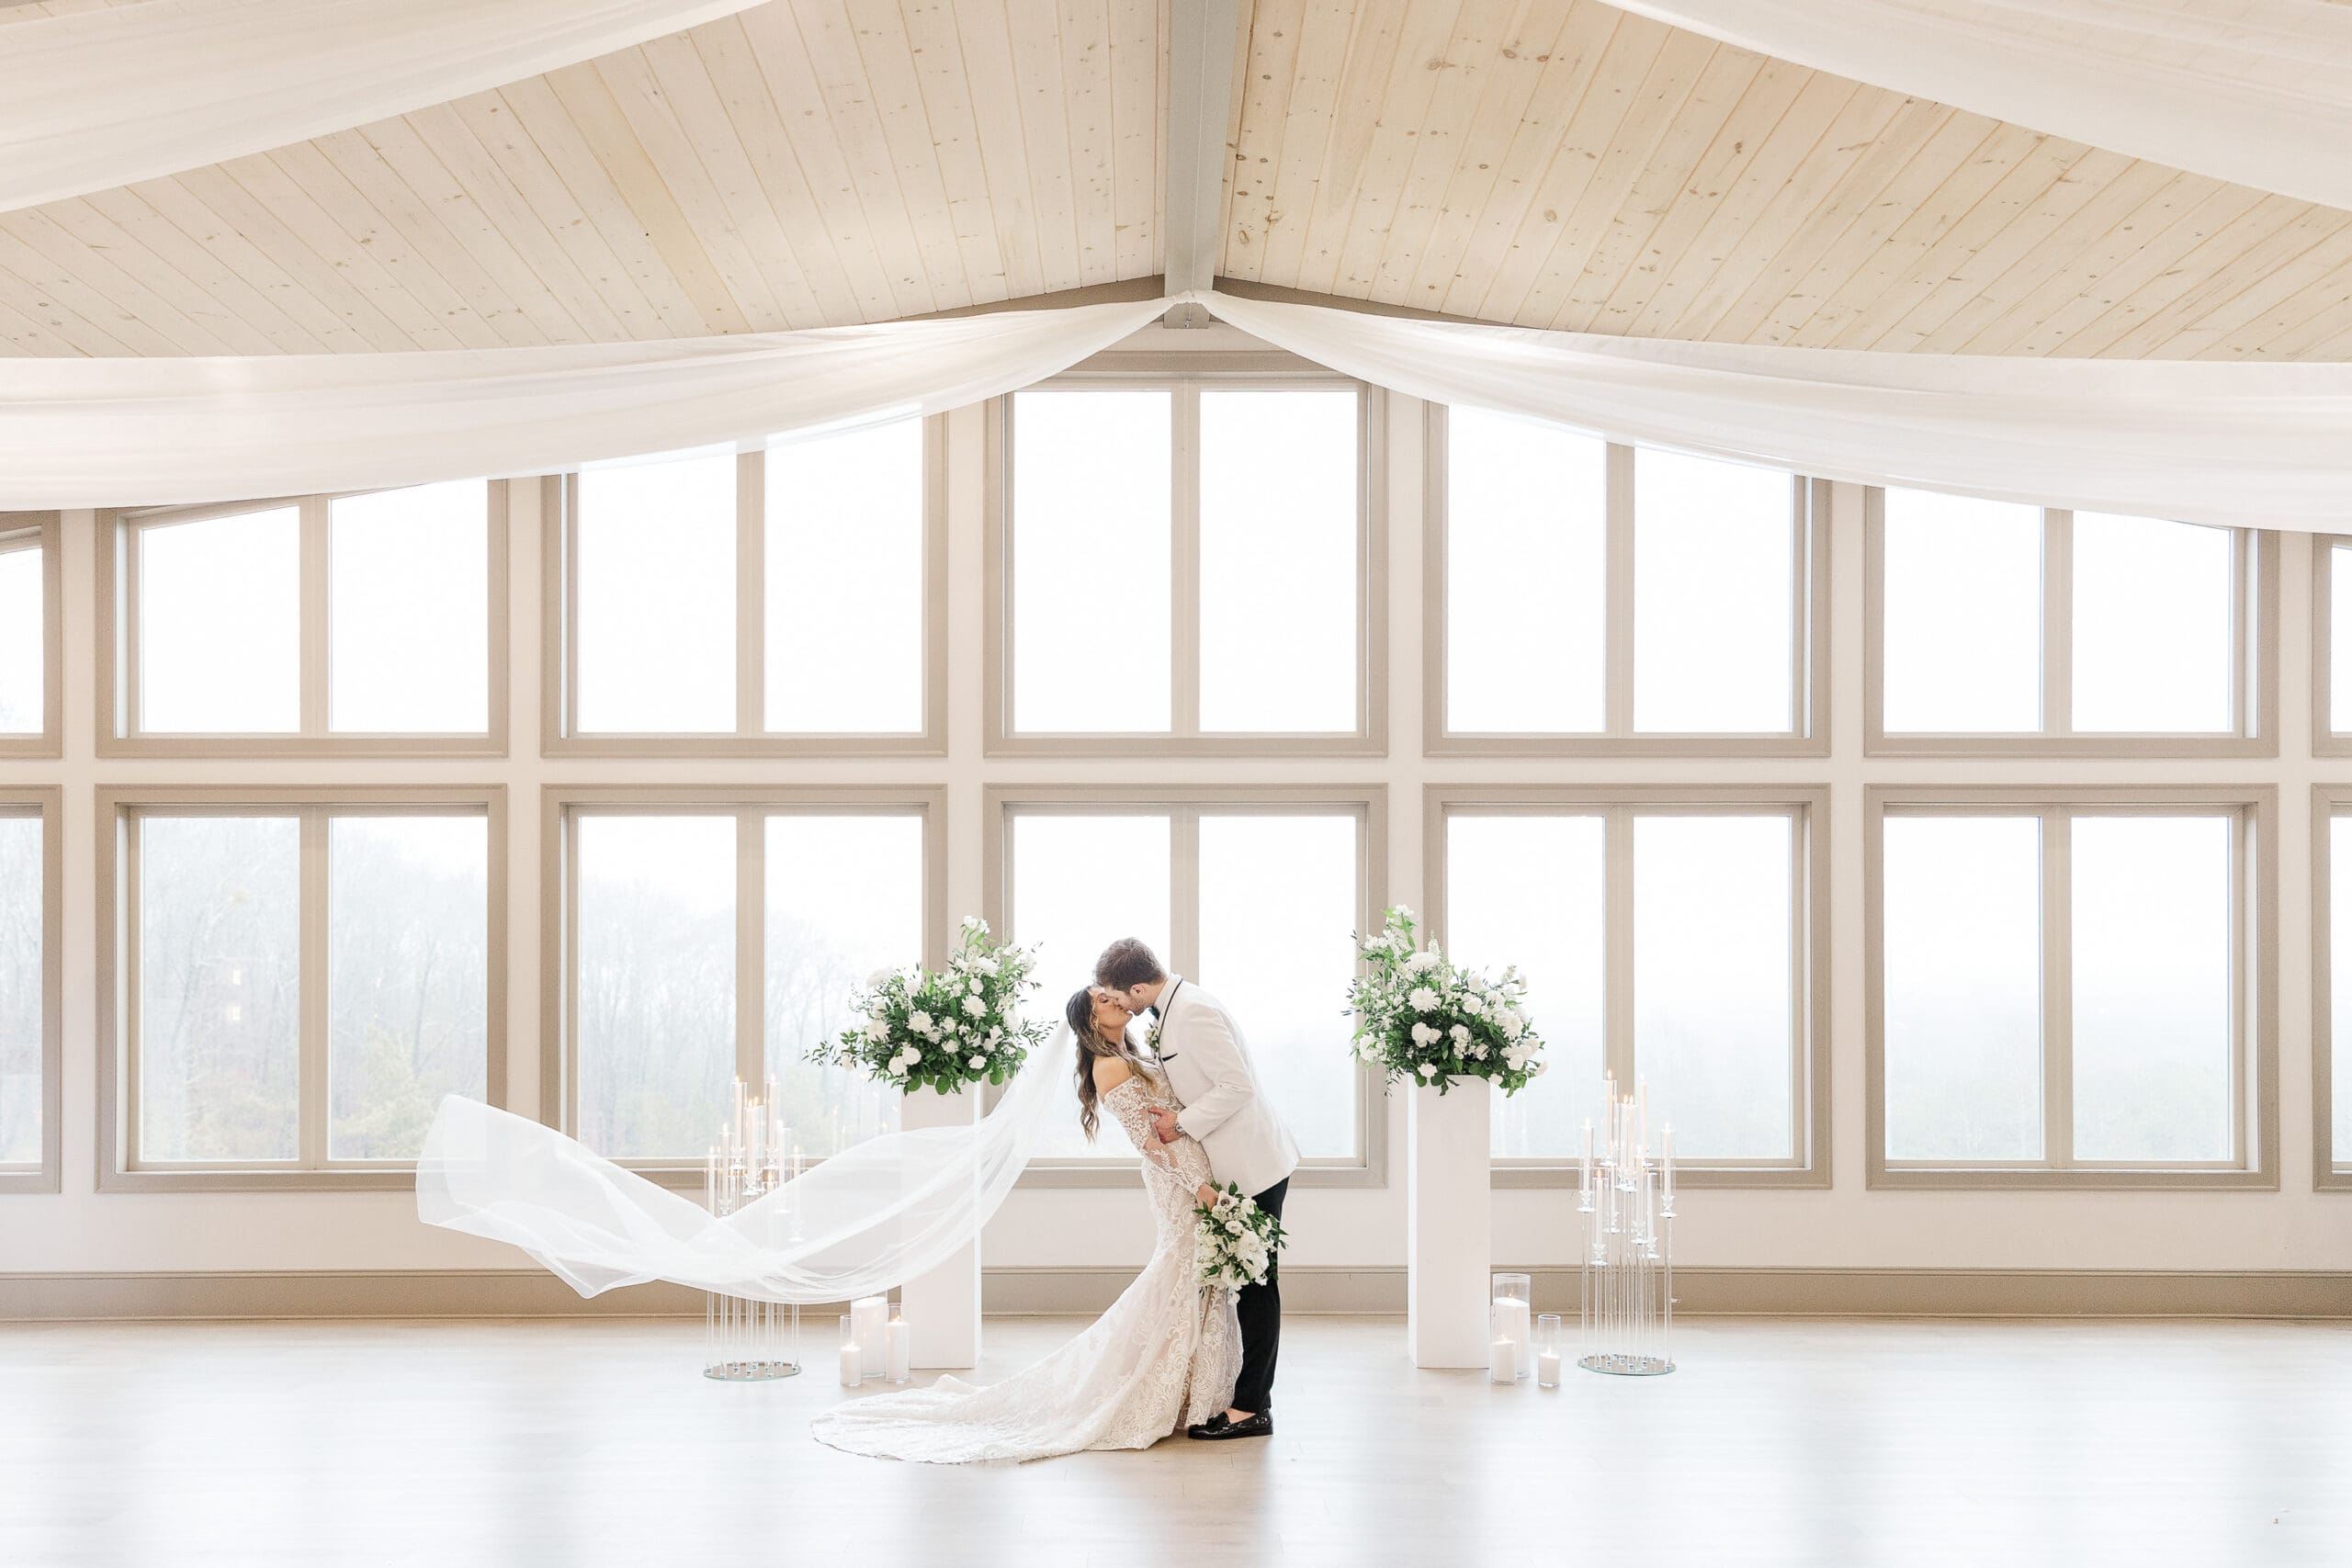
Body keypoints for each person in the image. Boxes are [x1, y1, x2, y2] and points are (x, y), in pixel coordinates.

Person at [808, 987, 1239, 1463]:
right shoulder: (1111, 1066)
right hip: (1176, 1177)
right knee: (1181, 1271)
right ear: (1091, 1021)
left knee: (1193, 1273)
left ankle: (1185, 1389)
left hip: (1188, 1170)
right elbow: (1149, 1145)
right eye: (1102, 1000)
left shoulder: (1128, 1053)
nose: (1115, 1000)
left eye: (1112, 994)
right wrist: (1195, 1184)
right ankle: (1154, 1387)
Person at [1094, 937, 1299, 1441]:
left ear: (1139, 987)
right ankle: (1232, 1394)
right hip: (1222, 1168)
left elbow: (1238, 1086)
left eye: (1123, 998)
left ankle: (1252, 1406)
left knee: (1256, 1282)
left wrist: (1180, 1123)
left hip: (1253, 1164)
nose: (1124, 1007)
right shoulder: (1172, 1012)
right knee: (1242, 1281)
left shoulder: (1194, 1012)